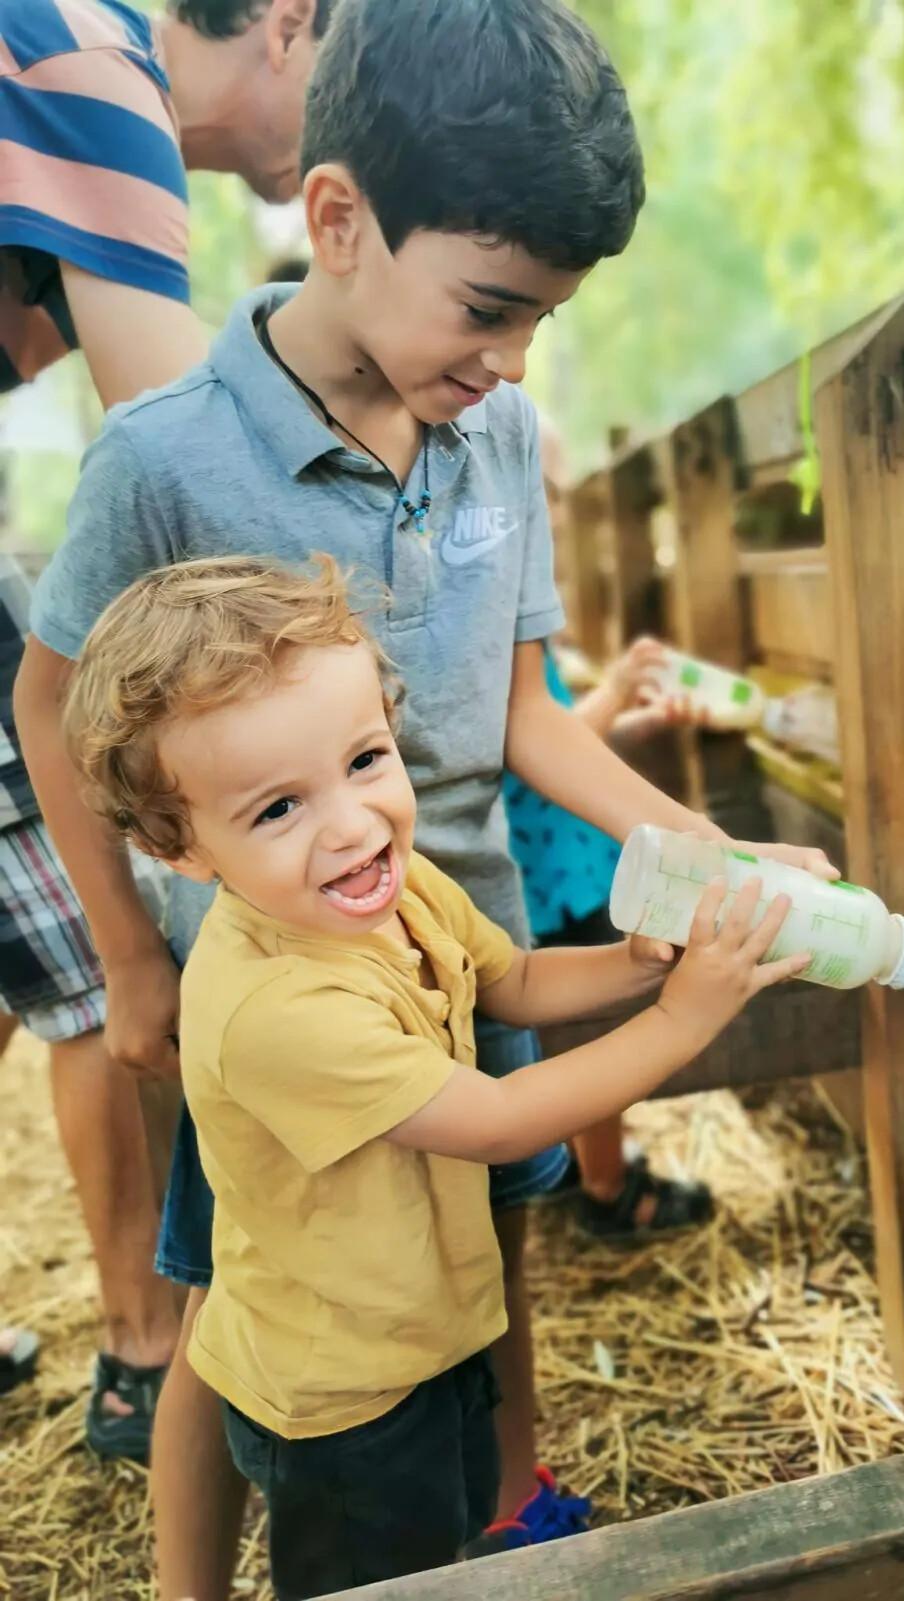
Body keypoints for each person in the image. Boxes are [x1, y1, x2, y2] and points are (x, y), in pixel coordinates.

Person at [17, 0, 834, 1591]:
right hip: (265, 970)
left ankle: (504, 1509)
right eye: (487, 306)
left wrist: (687, 840)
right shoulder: (168, 456)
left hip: (469, 934)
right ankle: (193, 1580)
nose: (511, 358)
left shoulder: (499, 433)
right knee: (237, 1298)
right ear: (338, 220)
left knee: (483, 1239)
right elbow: (54, 708)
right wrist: (129, 956)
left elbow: (526, 715)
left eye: (539, 320)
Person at [61, 552, 805, 1597]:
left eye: (367, 759)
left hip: (426, 1329)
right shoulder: (280, 1006)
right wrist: (684, 1019)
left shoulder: (392, 883)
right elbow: (498, 1118)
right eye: (278, 809)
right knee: (379, 1571)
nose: (354, 823)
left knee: (449, 1533)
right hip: (342, 1394)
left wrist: (639, 961)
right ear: (180, 847)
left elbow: (513, 978)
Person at [0, 0, 338, 1460]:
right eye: (355, 69)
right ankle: (151, 1346)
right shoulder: (85, 56)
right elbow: (189, 478)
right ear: (287, 20)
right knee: (94, 977)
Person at [504, 421, 715, 1245]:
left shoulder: (519, 596)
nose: (558, 514)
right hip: (551, 869)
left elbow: (555, 729)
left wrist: (622, 707)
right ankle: (603, 1185)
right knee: (589, 1027)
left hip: (563, 855)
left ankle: (579, 1165)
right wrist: (619, 688)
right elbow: (534, 743)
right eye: (551, 491)